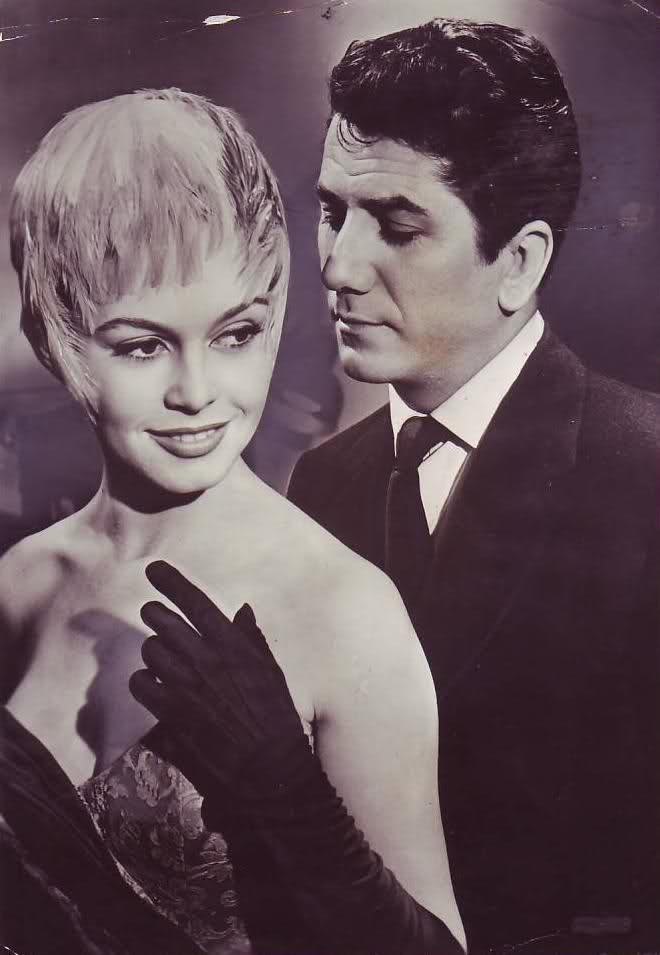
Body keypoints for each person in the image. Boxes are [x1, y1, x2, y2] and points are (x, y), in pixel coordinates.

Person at [0, 88, 465, 953]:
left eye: (236, 334)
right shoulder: (20, 583)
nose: (198, 392)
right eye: (142, 345)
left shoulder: (343, 608)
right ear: (54, 336)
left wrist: (292, 799)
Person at [286, 17, 660, 954]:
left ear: (519, 263)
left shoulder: (646, 474)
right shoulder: (321, 483)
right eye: (332, 212)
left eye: (396, 225)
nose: (337, 265)